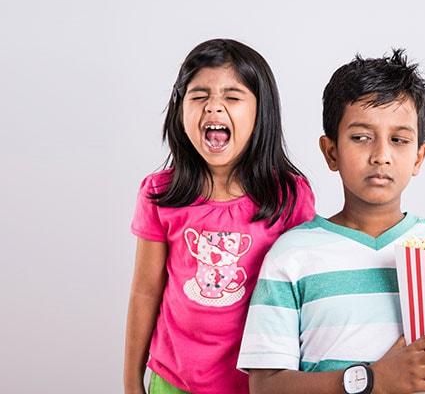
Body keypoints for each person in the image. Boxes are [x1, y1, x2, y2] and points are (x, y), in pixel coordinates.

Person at [237, 49, 425, 394]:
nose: (381, 155)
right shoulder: (292, 256)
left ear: (419, 156)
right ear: (332, 152)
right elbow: (265, 386)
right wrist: (370, 381)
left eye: (399, 140)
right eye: (361, 137)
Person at [123, 38, 316, 394]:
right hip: (173, 379)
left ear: (261, 112)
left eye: (232, 96)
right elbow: (145, 292)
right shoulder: (159, 193)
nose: (213, 107)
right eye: (198, 97)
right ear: (180, 111)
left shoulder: (289, 196)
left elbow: (302, 298)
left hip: (255, 383)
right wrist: (132, 382)